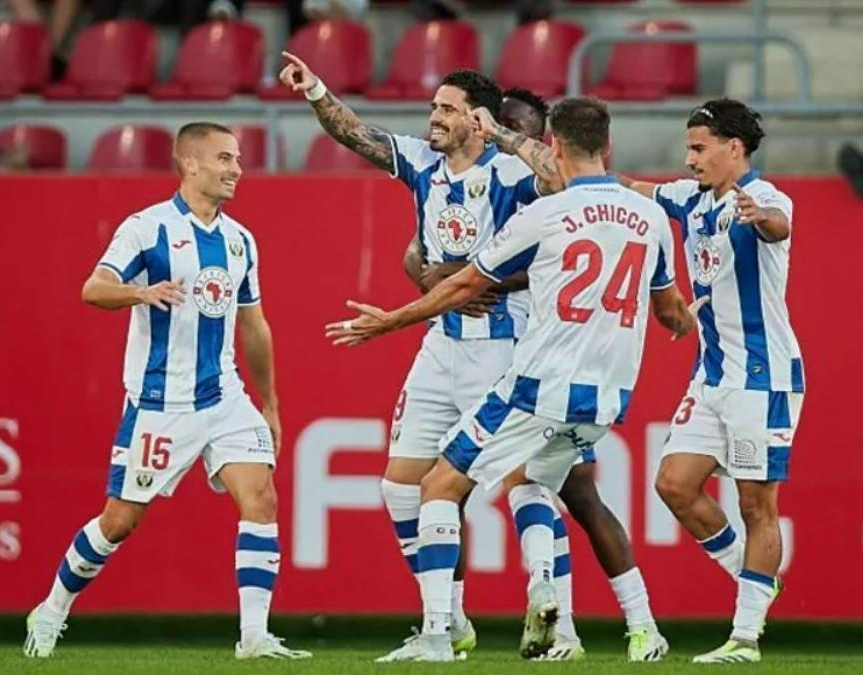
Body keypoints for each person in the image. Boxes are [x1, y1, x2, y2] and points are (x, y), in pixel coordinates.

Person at [326, 96, 698, 663]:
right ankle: (624, 625)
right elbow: (672, 312)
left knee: (439, 488)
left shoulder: (543, 215)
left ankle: (436, 635)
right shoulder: (649, 218)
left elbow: (462, 286)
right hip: (605, 398)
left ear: (553, 147)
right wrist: (690, 323)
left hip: (535, 382)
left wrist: (390, 321)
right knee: (537, 486)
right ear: (610, 147)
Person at [280, 51, 553, 659]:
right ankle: (451, 621)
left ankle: (451, 628)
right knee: (399, 487)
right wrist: (316, 87)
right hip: (440, 343)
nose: (434, 117)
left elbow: (558, 182)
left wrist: (504, 137)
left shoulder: (508, 173)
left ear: (476, 120)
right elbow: (355, 133)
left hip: (499, 347)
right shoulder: (424, 162)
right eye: (433, 107)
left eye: (447, 109)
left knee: (490, 482)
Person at [22, 122, 311, 662]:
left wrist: (268, 402)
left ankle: (254, 637)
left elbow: (254, 325)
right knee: (119, 522)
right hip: (159, 403)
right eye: (225, 158)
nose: (236, 170)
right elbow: (93, 288)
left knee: (262, 498)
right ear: (191, 163)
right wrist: (139, 291)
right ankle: (53, 607)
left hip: (224, 396)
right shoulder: (146, 229)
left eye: (239, 160)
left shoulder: (240, 239)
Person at [619, 99, 802, 665]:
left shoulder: (765, 198)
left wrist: (758, 216)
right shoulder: (689, 200)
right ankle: (755, 580)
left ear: (734, 150)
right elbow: (636, 188)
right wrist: (585, 179)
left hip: (761, 377)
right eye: (688, 147)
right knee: (674, 484)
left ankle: (745, 637)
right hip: (712, 375)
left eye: (699, 148)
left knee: (756, 506)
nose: (689, 158)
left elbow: (779, 226)